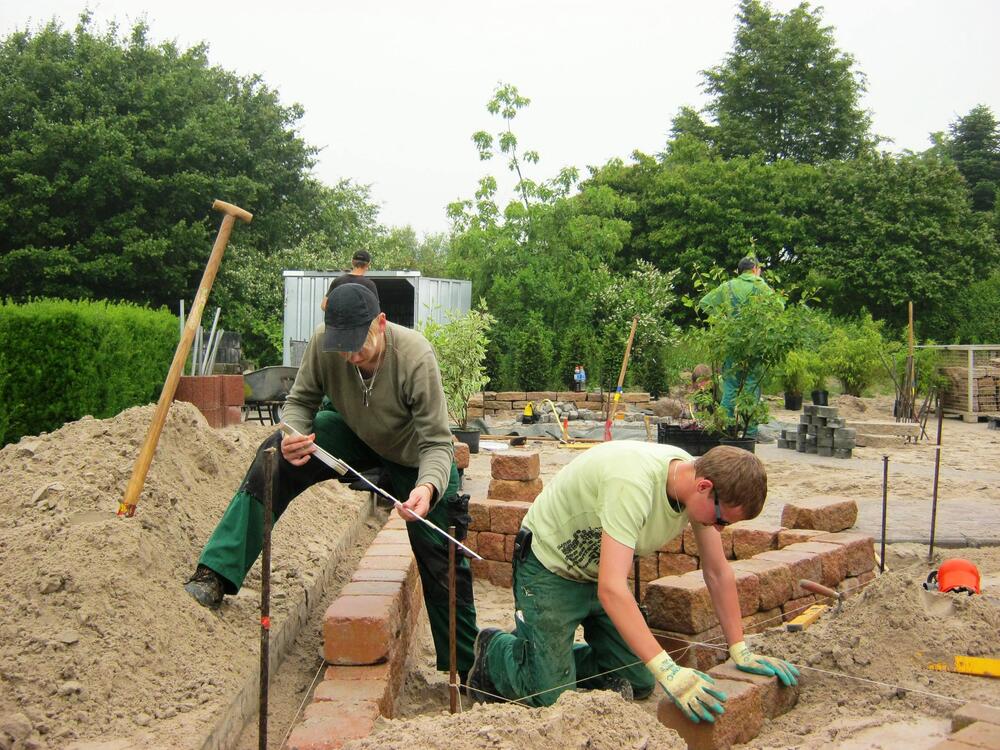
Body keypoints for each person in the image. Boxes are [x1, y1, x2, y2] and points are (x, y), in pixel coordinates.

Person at [185, 283, 479, 678]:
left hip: (416, 458)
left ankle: (465, 669)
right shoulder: (326, 344)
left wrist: (426, 489)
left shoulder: (414, 356)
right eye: (343, 346)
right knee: (274, 456)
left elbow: (438, 444)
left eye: (359, 344)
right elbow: (301, 402)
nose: (351, 355)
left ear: (381, 322)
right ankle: (216, 572)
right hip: (354, 437)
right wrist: (293, 434)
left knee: (442, 554)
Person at [466, 442, 798, 722]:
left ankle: (552, 661)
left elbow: (717, 571)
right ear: (704, 486)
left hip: (599, 573)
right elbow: (612, 589)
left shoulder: (694, 488)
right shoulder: (633, 484)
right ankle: (496, 650)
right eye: (722, 519)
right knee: (551, 698)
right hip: (550, 570)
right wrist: (670, 671)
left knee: (638, 680)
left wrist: (739, 649)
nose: (721, 528)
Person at [698, 257, 781, 437]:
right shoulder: (760, 285)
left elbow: (704, 303)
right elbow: (779, 307)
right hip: (755, 343)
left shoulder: (727, 287)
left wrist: (722, 318)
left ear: (738, 271)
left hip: (731, 343)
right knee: (751, 388)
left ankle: (726, 431)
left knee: (730, 388)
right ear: (755, 270)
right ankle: (750, 433)